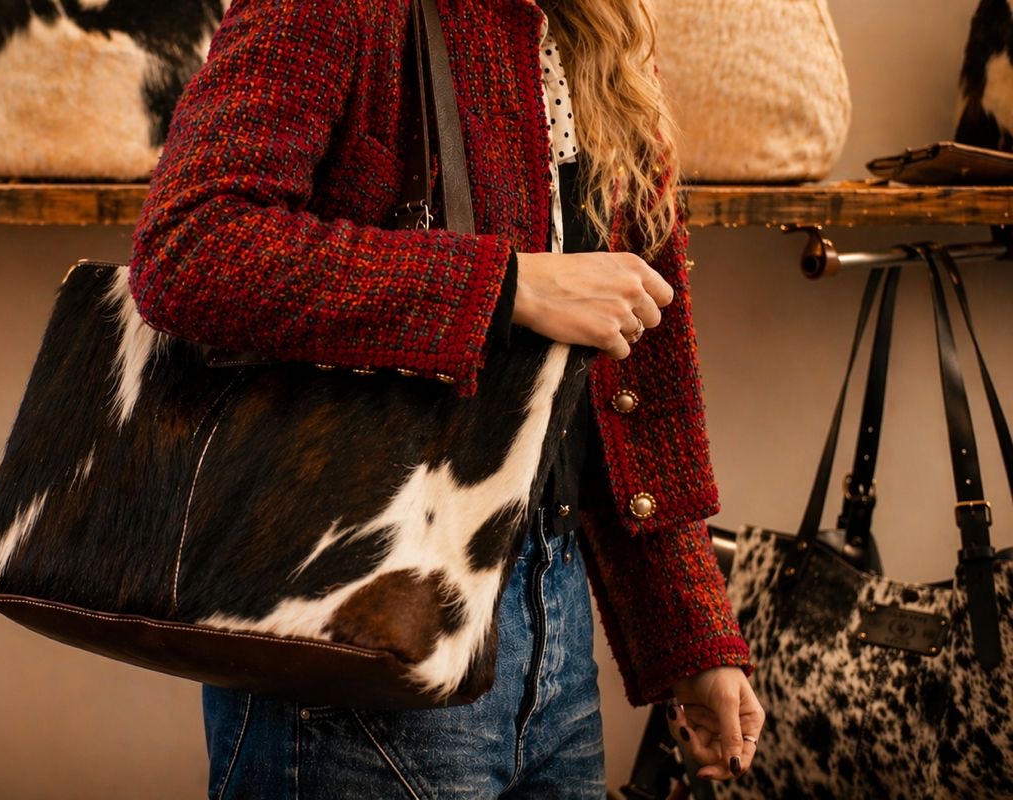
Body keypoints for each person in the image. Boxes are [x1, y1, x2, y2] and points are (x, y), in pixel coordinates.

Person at [127, 0, 766, 796]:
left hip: (557, 628)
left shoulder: (598, 22)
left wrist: (692, 634)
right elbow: (191, 245)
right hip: (361, 628)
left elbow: (632, 364)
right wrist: (504, 286)